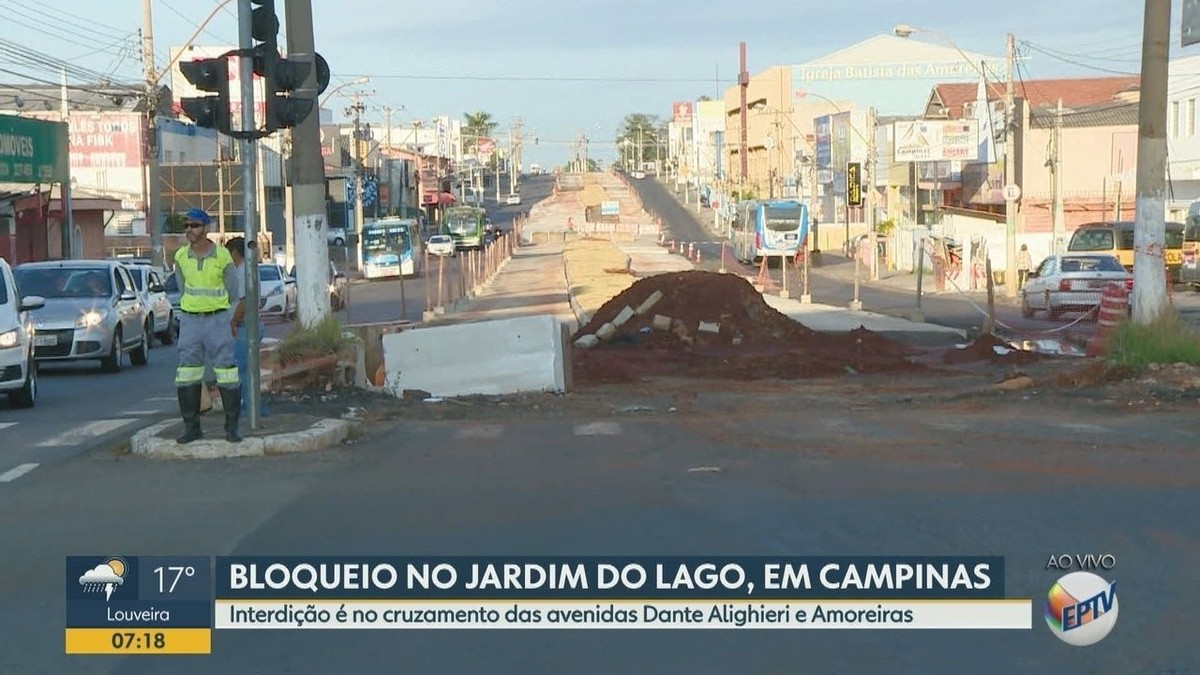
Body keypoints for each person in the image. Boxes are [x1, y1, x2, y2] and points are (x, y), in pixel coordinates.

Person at [172, 208, 242, 444]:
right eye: (187, 226)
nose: (189, 230)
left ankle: (232, 428)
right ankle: (192, 427)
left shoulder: (222, 256)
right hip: (191, 321)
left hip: (217, 320)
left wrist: (223, 314)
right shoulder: (181, 256)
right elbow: (182, 289)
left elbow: (233, 291)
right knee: (187, 374)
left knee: (227, 372)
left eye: (194, 226)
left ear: (207, 228)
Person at [225, 236, 268, 418]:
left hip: (244, 326)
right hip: (248, 325)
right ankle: (249, 406)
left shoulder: (242, 272)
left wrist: (233, 322)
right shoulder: (244, 270)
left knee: (242, 369)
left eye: (228, 253)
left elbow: (243, 302)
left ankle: (250, 408)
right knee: (245, 368)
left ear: (235, 252)